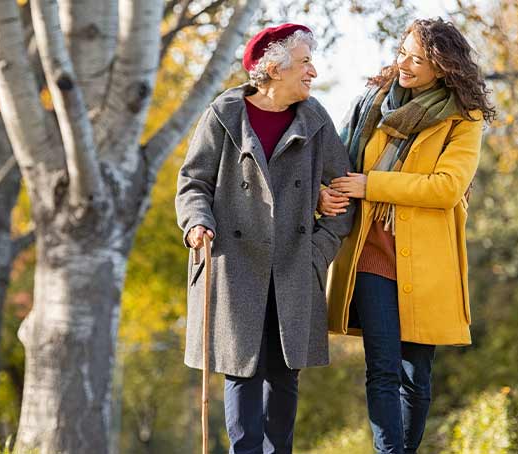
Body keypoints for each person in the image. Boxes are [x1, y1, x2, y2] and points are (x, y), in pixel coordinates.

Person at [315, 17, 497, 454]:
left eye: (418, 59)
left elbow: (445, 187)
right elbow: (338, 161)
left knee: (416, 375)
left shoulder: (462, 119)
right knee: (382, 368)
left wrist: (371, 185)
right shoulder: (373, 102)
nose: (405, 64)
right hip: (371, 251)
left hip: (428, 261)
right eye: (403, 52)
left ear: (443, 67)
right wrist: (325, 191)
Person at [175, 23, 354, 454]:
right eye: (305, 61)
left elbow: (346, 191)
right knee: (242, 372)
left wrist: (317, 252)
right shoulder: (224, 113)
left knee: (284, 374)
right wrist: (197, 222)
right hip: (233, 265)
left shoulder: (315, 120)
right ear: (273, 68)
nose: (313, 71)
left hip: (293, 265)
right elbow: (193, 182)